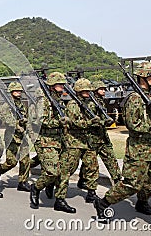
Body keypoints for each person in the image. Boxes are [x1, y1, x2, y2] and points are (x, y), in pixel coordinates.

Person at [94, 62, 151, 234]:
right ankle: (103, 203)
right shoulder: (134, 98)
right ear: (142, 77)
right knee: (131, 185)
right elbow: (133, 125)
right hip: (139, 149)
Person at [53, 78, 101, 212]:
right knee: (67, 170)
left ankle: (91, 192)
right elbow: (75, 123)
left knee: (92, 166)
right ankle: (60, 199)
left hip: (87, 141)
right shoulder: (73, 104)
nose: (87, 92)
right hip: (73, 141)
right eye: (85, 90)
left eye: (88, 90)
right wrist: (91, 123)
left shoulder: (89, 103)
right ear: (79, 91)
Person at [30, 72, 70, 210]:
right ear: (52, 85)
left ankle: (60, 200)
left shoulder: (57, 98)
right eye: (59, 84)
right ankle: (36, 188)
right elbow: (42, 121)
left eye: (63, 84)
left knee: (64, 171)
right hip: (45, 140)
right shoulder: (43, 100)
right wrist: (59, 122)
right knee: (51, 172)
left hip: (60, 139)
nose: (62, 86)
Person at [0, 82, 30, 192]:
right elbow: (6, 120)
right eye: (16, 91)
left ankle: (22, 182)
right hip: (12, 137)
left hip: (22, 136)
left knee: (25, 161)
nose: (18, 92)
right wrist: (17, 124)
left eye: (20, 91)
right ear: (11, 92)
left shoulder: (21, 104)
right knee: (11, 162)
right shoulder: (5, 105)